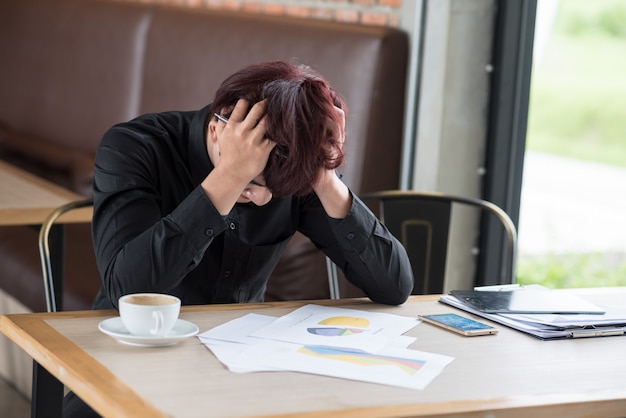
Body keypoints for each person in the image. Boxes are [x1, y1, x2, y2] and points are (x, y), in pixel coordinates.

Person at [63, 61, 413, 417]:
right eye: (253, 186)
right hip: (127, 363)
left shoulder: (289, 171)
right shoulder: (135, 147)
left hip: (240, 371)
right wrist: (230, 177)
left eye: (277, 193)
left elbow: (394, 286)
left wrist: (324, 177)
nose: (263, 200)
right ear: (218, 131)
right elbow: (128, 289)